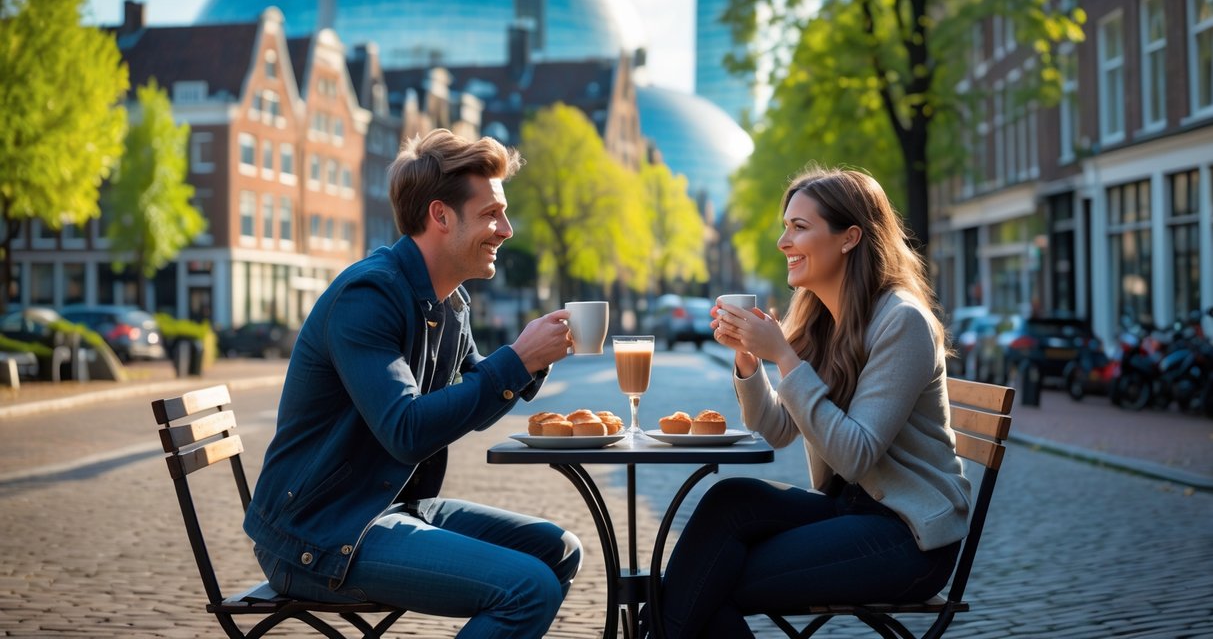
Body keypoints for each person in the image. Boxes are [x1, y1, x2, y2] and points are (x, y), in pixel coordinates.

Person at [244, 129, 582, 639]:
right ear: (440, 216)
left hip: (389, 505)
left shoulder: (449, 302)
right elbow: (406, 431)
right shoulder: (368, 295)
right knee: (527, 588)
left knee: (557, 550)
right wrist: (517, 357)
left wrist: (530, 361)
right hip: (321, 530)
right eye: (492, 214)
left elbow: (472, 397)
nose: (507, 229)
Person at [655, 166, 970, 638]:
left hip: (908, 537)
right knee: (730, 500)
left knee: (704, 581)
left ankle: (650, 629)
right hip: (850, 510)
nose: (783, 241)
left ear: (849, 238)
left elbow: (855, 453)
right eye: (785, 226)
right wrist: (748, 359)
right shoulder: (825, 318)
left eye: (799, 227)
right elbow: (778, 429)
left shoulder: (902, 322)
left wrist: (782, 353)